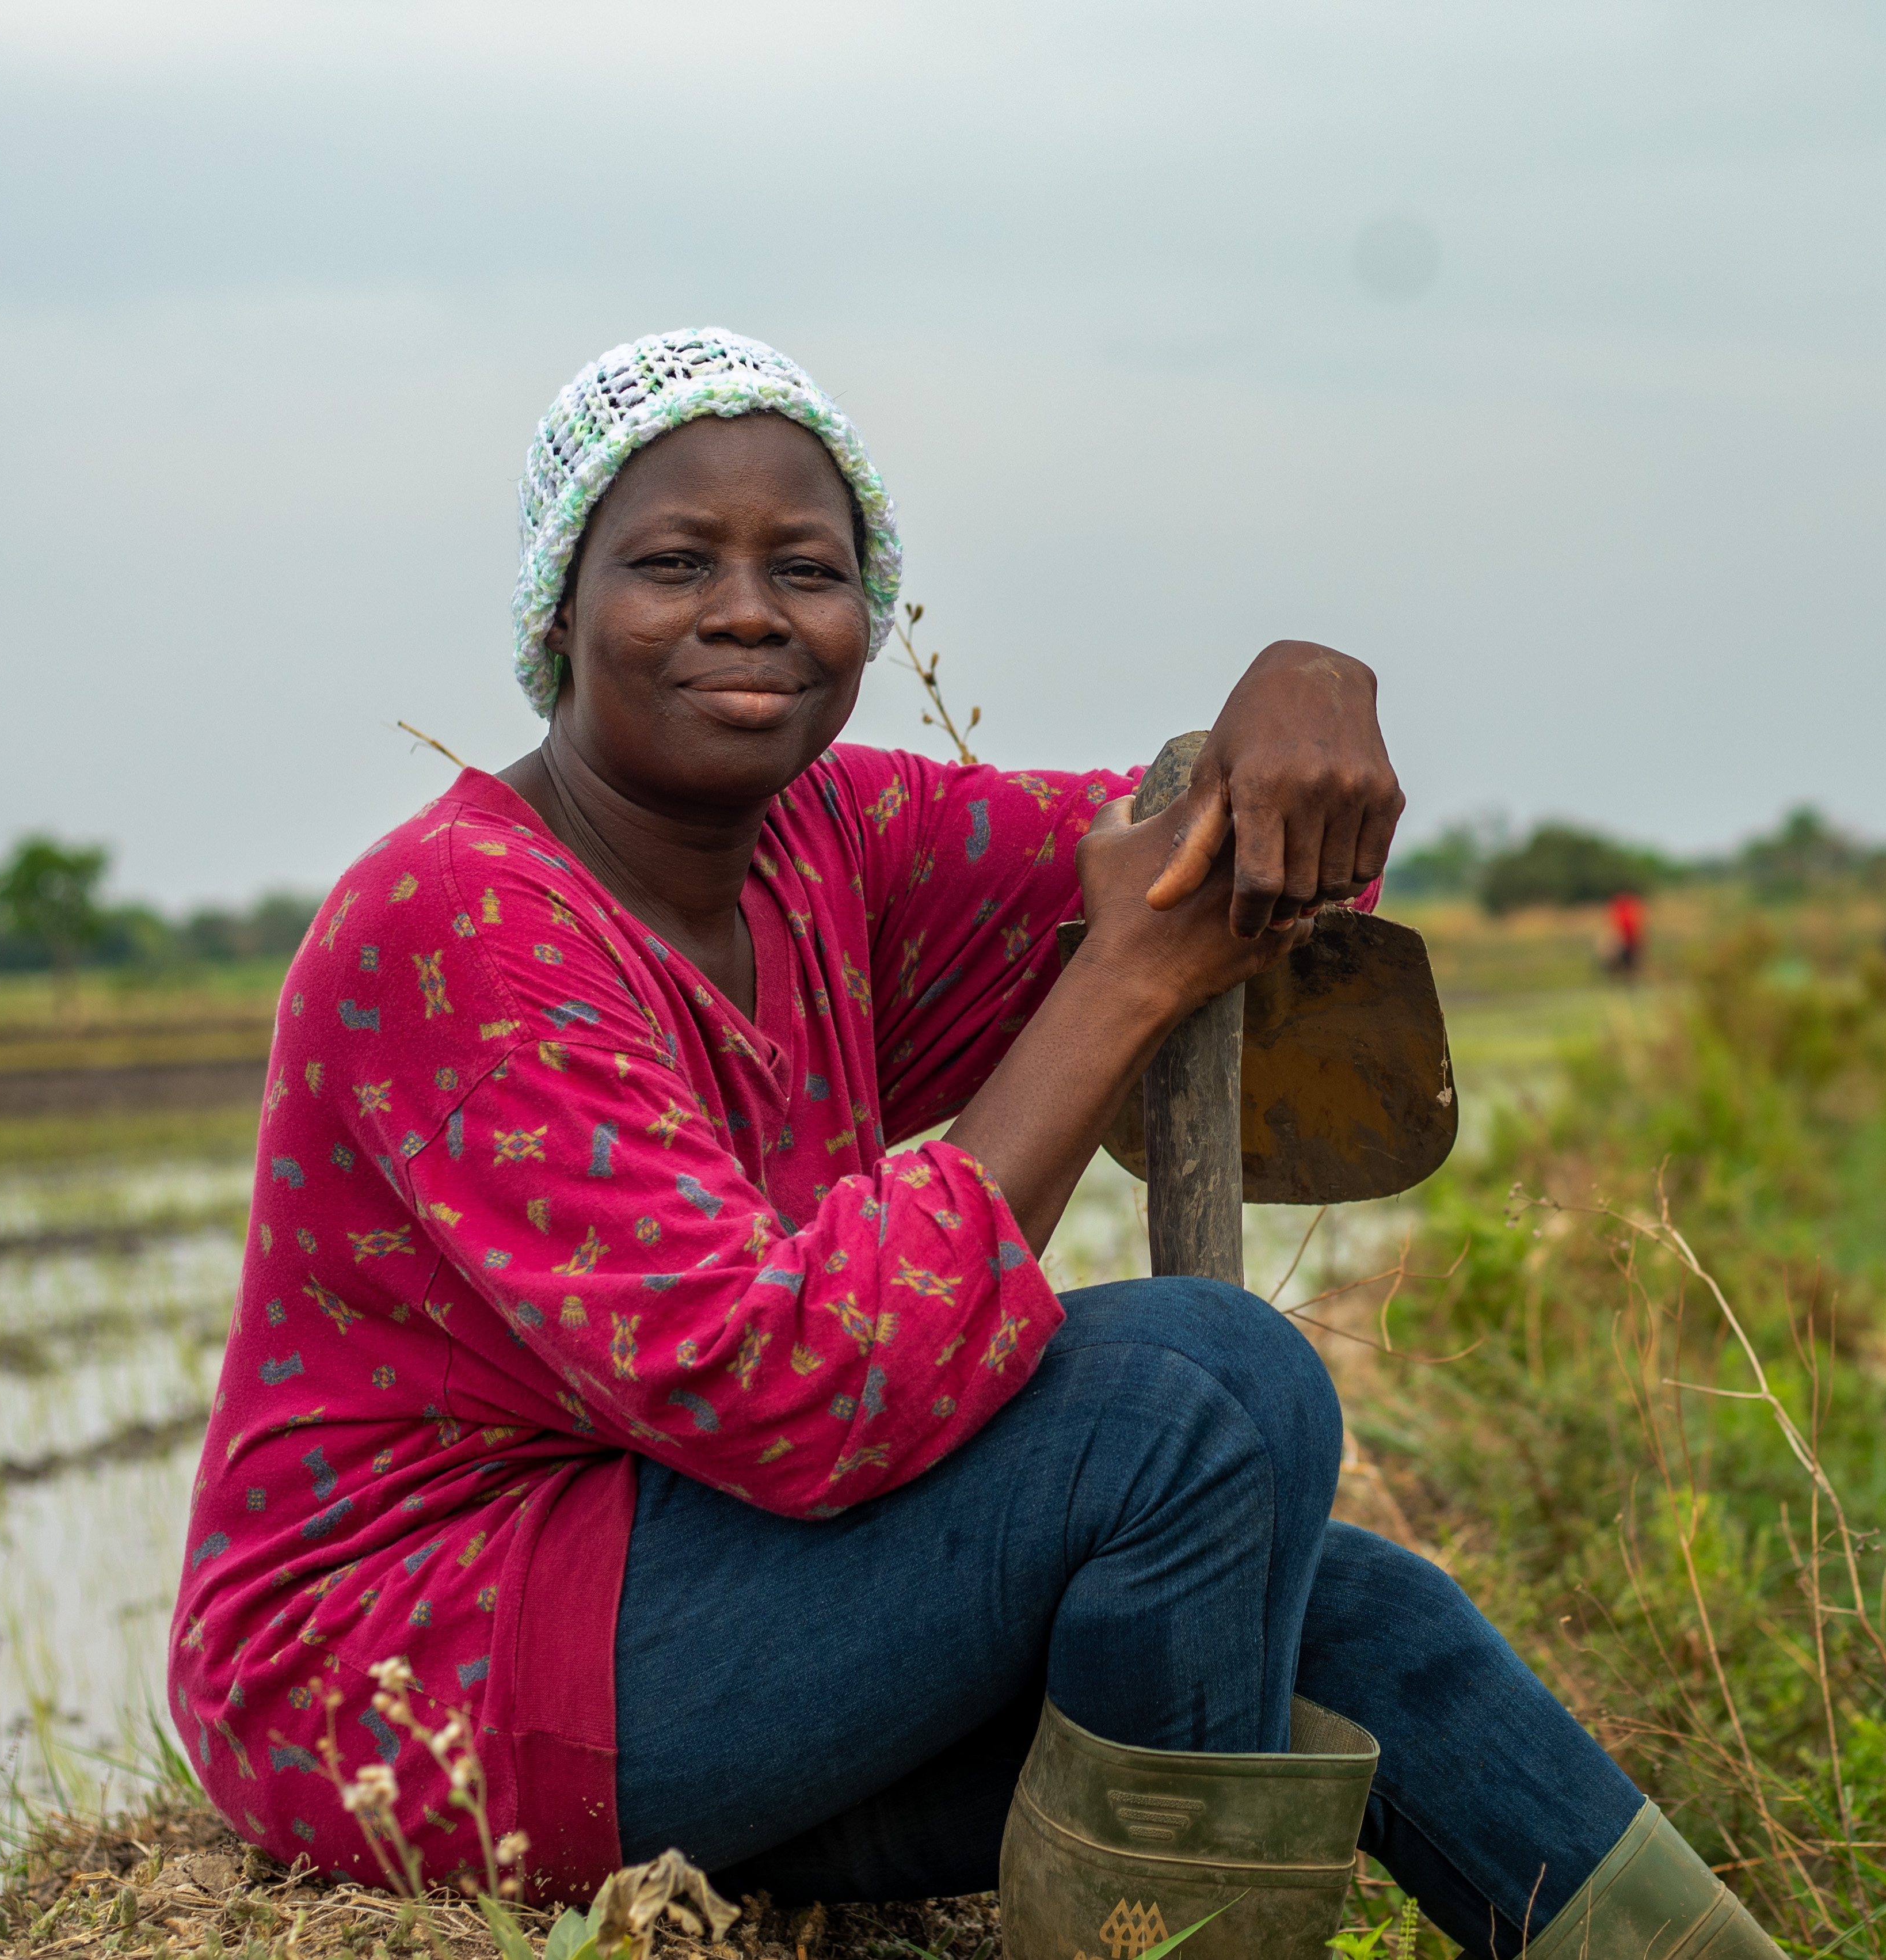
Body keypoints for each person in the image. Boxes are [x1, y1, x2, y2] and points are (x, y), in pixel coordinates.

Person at [169, 330, 1784, 1960]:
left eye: (805, 567)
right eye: (670, 563)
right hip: (419, 1691)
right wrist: (1123, 983)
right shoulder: (457, 922)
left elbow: (1218, 848)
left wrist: (1303, 691)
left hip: (674, 1600)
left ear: (865, 617)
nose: (745, 609)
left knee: (1355, 1617)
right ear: (558, 611)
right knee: (1197, 1391)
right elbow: (796, 1392)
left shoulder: (828, 841)